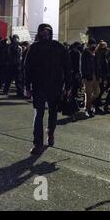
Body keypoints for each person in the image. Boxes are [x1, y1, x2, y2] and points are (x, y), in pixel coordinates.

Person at [24, 24, 70, 155]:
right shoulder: (34, 48)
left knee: (52, 112)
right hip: (39, 86)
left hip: (54, 86)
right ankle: (38, 143)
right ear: (39, 33)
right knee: (39, 114)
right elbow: (27, 69)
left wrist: (68, 86)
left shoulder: (57, 47)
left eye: (47, 31)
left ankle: (50, 132)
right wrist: (27, 86)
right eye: (43, 32)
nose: (45, 34)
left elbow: (67, 67)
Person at [81, 38, 101, 118]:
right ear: (88, 45)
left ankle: (88, 104)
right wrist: (83, 76)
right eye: (92, 44)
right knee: (88, 94)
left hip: (95, 75)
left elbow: (97, 65)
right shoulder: (85, 53)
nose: (94, 46)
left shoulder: (95, 53)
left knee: (97, 92)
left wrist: (99, 76)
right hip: (88, 76)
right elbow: (82, 66)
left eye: (94, 44)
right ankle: (88, 109)